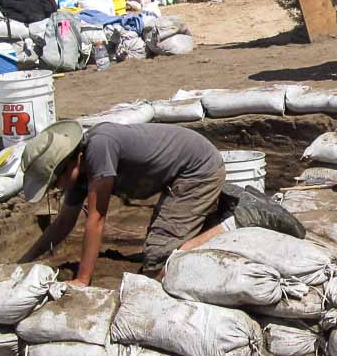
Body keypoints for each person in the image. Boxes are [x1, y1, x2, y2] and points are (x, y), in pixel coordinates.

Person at [14, 121, 236, 286]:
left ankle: (231, 225)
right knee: (160, 248)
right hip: (178, 174)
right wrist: (24, 262)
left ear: (69, 163)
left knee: (158, 264)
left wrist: (82, 279)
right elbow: (63, 222)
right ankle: (211, 223)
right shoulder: (79, 170)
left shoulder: (99, 148)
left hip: (197, 171)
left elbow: (97, 218)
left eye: (54, 182)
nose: (55, 188)